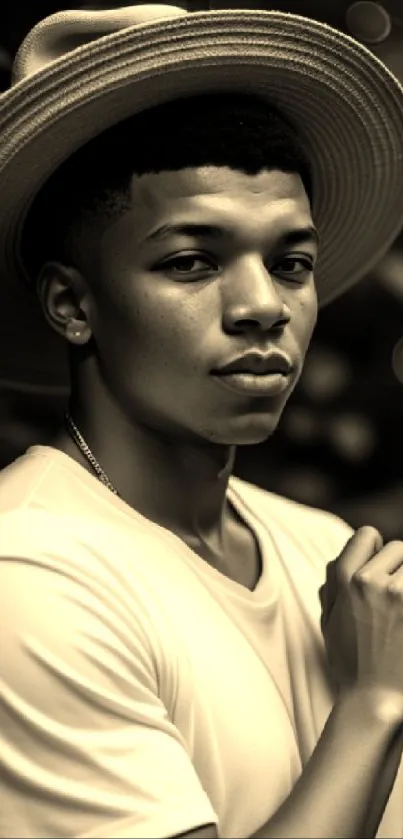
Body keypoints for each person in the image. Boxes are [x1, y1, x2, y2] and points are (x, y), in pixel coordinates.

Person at [1, 5, 403, 839]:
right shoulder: (27, 576)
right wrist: (373, 703)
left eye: (290, 263)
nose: (264, 306)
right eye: (191, 261)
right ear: (73, 304)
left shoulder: (324, 551)